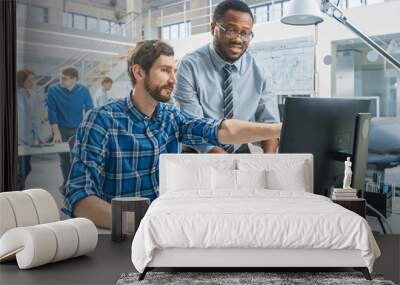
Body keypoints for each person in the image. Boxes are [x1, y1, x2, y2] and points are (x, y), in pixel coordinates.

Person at [63, 40, 281, 229]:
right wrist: (145, 223)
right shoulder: (101, 120)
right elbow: (80, 199)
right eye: (165, 70)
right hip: (121, 235)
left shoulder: (170, 116)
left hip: (165, 230)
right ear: (139, 72)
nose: (173, 79)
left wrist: (279, 128)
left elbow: (219, 130)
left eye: (174, 71)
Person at [174, 0, 279, 154]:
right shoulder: (189, 66)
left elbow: (270, 125)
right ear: (213, 28)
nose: (238, 39)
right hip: (199, 150)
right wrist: (225, 162)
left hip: (239, 150)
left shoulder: (260, 72)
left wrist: (267, 164)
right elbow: (192, 125)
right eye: (230, 30)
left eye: (245, 33)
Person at [47, 67, 94, 192]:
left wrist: (87, 129)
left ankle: (76, 184)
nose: (60, 81)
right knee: (64, 159)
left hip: (78, 128)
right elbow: (52, 111)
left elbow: (89, 109)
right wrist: (55, 131)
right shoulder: (53, 90)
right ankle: (66, 183)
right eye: (60, 77)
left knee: (77, 158)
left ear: (74, 79)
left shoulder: (83, 90)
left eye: (64, 79)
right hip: (61, 129)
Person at [16, 69, 41, 189]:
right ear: (21, 81)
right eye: (29, 81)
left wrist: (37, 137)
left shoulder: (34, 96)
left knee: (27, 168)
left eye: (33, 80)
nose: (32, 83)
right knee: (20, 170)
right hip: (16, 139)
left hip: (28, 139)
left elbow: (35, 118)